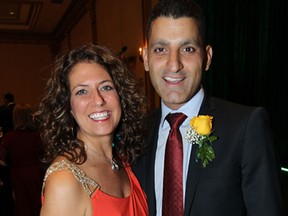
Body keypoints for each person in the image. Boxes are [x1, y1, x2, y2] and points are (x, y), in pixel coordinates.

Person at [132, 0, 284, 215]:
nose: (174, 64)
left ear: (207, 57)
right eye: (160, 49)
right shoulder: (137, 134)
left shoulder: (246, 126)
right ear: (146, 59)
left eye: (187, 49)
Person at [35, 44, 148, 216]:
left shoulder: (123, 161)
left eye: (106, 87)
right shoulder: (64, 182)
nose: (98, 100)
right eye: (81, 91)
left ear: (121, 96)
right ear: (68, 107)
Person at [0, 103, 44, 216]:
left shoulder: (9, 137)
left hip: (18, 176)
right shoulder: (39, 135)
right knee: (39, 203)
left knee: (22, 206)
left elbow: (2, 160)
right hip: (37, 173)